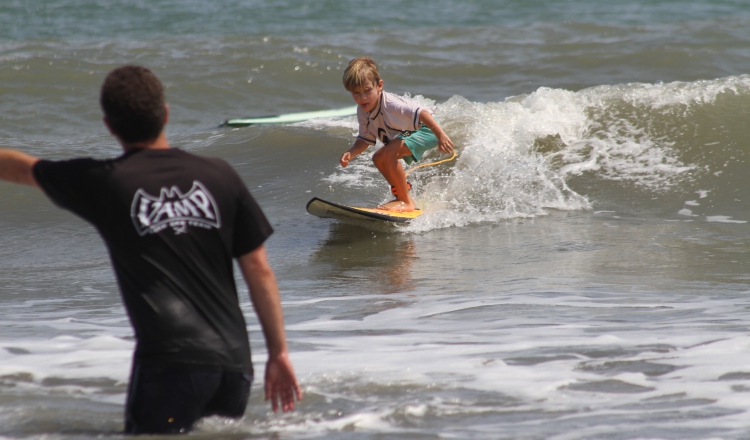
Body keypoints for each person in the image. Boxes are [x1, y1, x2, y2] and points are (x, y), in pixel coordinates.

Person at [0, 65, 302, 434]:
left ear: (109, 126)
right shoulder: (220, 174)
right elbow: (259, 269)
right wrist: (279, 353)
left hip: (171, 364)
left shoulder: (106, 181)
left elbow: (22, 169)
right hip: (235, 366)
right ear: (166, 113)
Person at [339, 56, 454, 212]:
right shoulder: (362, 111)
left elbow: (423, 113)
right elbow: (365, 139)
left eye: (367, 90)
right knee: (378, 158)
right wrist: (351, 152)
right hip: (410, 133)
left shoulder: (390, 104)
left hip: (427, 130)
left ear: (379, 86)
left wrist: (441, 136)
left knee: (388, 153)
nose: (363, 97)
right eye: (356, 93)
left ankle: (405, 201)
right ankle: (403, 193)